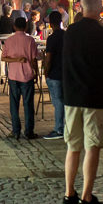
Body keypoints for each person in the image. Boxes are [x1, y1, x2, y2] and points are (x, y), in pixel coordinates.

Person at [61, 0, 103, 204]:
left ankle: (69, 193)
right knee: (92, 147)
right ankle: (86, 197)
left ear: (81, 7)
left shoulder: (70, 32)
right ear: (100, 8)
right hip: (95, 96)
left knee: (73, 147)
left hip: (72, 96)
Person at [1, 16, 38, 139]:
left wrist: (15, 59)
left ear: (14, 27)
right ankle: (29, 131)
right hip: (27, 75)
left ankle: (16, 131)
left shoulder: (9, 41)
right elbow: (34, 59)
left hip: (13, 76)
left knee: (14, 104)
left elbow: (3, 58)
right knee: (28, 104)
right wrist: (36, 72)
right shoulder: (30, 40)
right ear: (26, 27)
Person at [42, 10, 66, 140]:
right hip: (66, 73)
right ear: (61, 21)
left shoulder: (51, 39)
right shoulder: (67, 36)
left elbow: (49, 58)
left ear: (50, 23)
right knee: (66, 102)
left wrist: (46, 73)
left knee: (58, 102)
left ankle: (59, 128)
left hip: (55, 73)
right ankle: (67, 127)